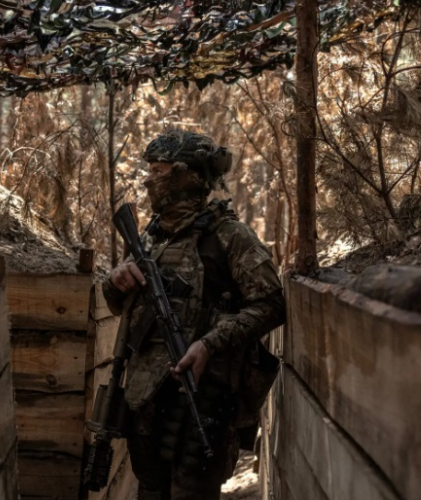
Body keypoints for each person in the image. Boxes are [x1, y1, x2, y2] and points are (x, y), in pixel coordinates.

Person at [101, 130, 286, 500]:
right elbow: (121, 307)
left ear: (187, 175)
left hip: (201, 403)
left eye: (159, 169)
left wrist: (209, 344)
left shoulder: (230, 237)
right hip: (144, 402)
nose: (149, 178)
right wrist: (114, 282)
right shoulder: (152, 239)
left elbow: (271, 305)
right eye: (149, 169)